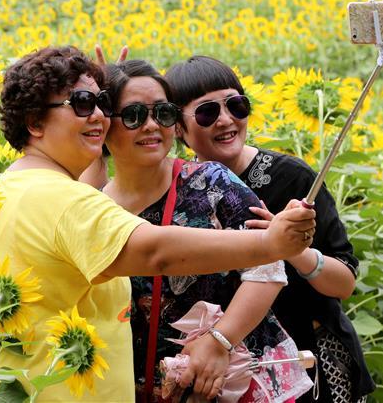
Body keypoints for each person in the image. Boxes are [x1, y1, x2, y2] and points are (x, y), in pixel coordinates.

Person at [0, 46, 316, 402]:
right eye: (82, 104)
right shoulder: (67, 200)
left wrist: (221, 339)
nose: (98, 117)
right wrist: (270, 243)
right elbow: (155, 251)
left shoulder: (0, 190)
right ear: (34, 122)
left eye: (102, 105)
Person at [164, 56, 374, 403]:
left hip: (309, 365)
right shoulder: (180, 190)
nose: (226, 120)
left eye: (236, 105)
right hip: (229, 373)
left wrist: (292, 249)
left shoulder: (292, 179)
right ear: (178, 128)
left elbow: (344, 281)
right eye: (207, 113)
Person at [101, 60, 313, 402]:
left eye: (164, 113)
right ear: (104, 124)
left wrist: (220, 340)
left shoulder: (210, 182)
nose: (152, 126)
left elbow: (268, 266)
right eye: (133, 115)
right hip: (148, 387)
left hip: (236, 379)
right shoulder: (96, 208)